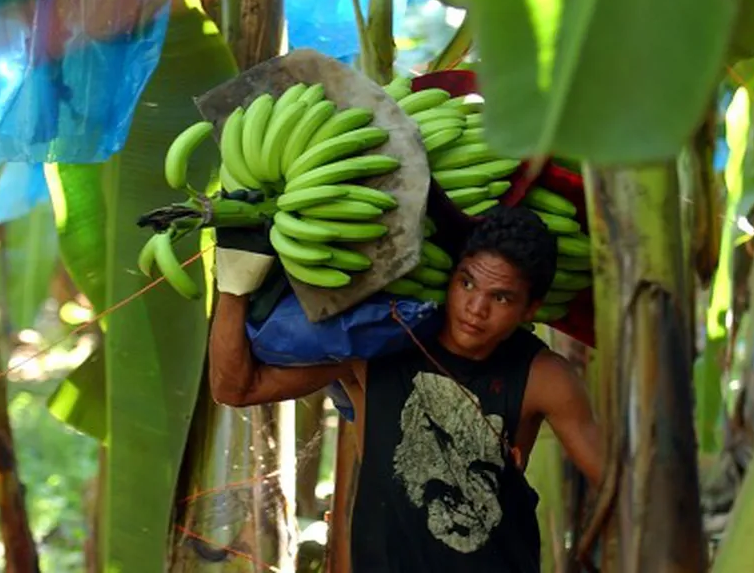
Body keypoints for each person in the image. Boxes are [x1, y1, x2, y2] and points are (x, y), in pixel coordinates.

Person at [207, 203, 603, 572]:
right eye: (466, 284)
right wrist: (235, 283)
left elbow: (614, 479)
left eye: (500, 297)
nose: (476, 308)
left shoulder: (542, 375)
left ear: (530, 310)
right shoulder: (379, 346)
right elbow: (235, 389)